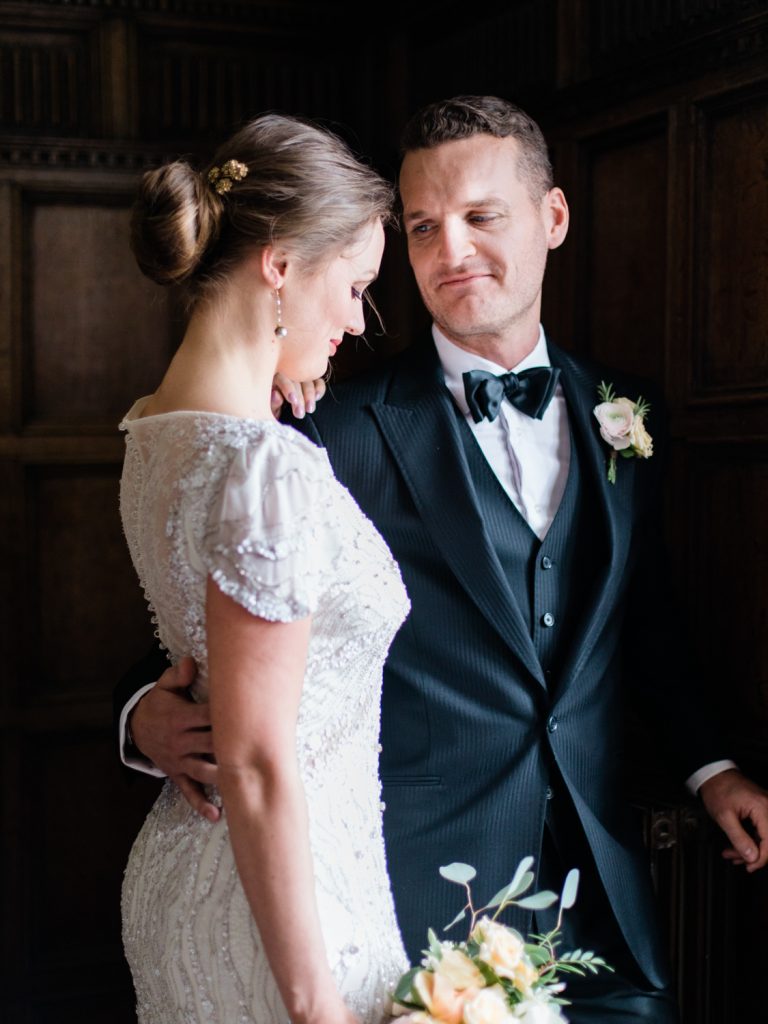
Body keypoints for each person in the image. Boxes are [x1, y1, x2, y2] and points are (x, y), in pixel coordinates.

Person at [116, 96, 768, 1023]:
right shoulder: (322, 429)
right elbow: (208, 615)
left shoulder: (623, 409)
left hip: (609, 906)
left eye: (481, 217)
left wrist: (713, 767)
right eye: (423, 226)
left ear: (553, 218)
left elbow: (642, 618)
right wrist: (142, 715)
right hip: (416, 907)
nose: (450, 250)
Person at [116, 112, 410, 1024]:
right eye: (353, 288)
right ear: (278, 265)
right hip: (288, 910)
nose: (356, 324)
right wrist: (314, 1002)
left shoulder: (153, 434)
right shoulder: (264, 465)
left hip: (192, 872)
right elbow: (253, 759)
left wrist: (269, 376)